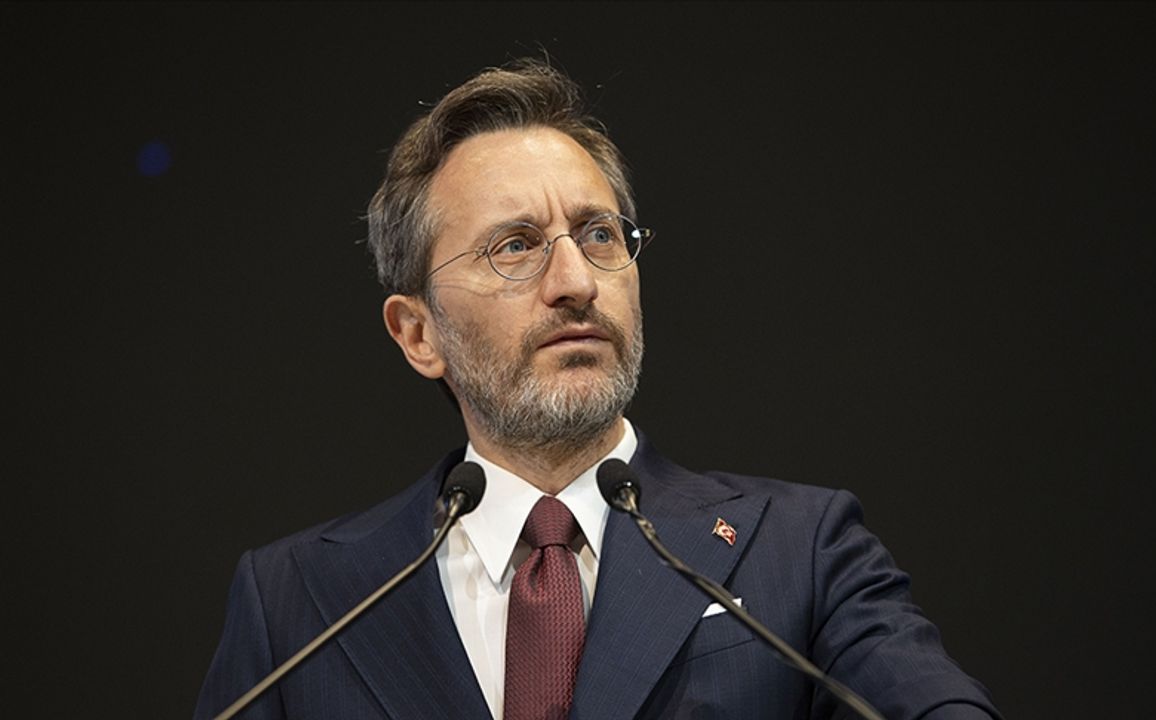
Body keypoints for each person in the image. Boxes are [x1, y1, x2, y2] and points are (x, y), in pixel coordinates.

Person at [194, 59, 1001, 720]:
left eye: (599, 235)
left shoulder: (801, 550)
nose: (576, 282)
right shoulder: (299, 601)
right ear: (418, 333)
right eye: (515, 247)